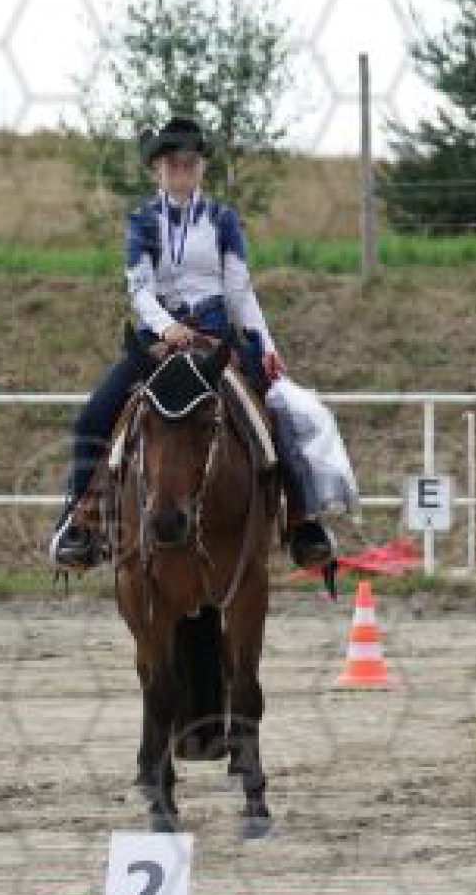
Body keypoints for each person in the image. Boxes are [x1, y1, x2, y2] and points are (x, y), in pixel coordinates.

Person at [47, 116, 335, 572]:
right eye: (173, 164)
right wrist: (166, 328)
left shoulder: (223, 220)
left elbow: (239, 289)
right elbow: (139, 289)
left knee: (278, 411)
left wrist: (266, 345)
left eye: (190, 163)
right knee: (94, 415)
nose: (182, 171)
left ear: (201, 168)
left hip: (215, 337)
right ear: (157, 169)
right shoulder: (142, 221)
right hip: (157, 340)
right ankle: (80, 521)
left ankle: (303, 520)